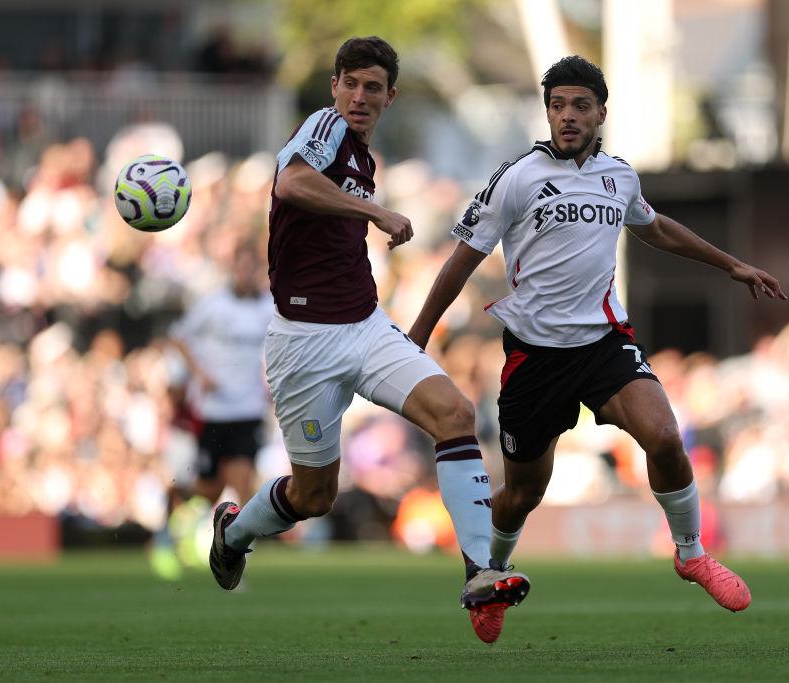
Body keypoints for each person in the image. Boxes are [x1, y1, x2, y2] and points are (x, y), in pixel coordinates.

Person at [409, 56, 789, 621]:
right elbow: (462, 261)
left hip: (603, 343)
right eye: (557, 106)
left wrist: (731, 265)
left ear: (600, 113)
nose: (567, 116)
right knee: (523, 495)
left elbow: (654, 226)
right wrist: (415, 336)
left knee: (663, 435)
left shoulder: (619, 175)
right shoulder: (517, 177)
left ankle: (691, 554)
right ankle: (490, 581)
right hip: (533, 356)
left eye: (579, 106)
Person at [207, 36, 528, 644]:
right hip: (302, 342)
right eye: (350, 83)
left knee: (456, 414)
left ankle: (483, 571)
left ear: (390, 96)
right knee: (314, 495)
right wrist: (373, 211)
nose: (359, 96)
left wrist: (365, 208)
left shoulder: (362, 156)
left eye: (372, 87)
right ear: (334, 87)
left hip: (365, 326)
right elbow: (291, 183)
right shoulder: (324, 128)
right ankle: (234, 534)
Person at [151, 243, 274, 578]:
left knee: (245, 486)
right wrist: (199, 373)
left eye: (252, 267)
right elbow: (177, 337)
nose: (246, 273)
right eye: (241, 267)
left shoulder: (268, 307)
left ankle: (234, 558)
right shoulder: (213, 305)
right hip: (214, 410)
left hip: (247, 409)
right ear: (232, 269)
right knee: (209, 491)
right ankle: (171, 526)